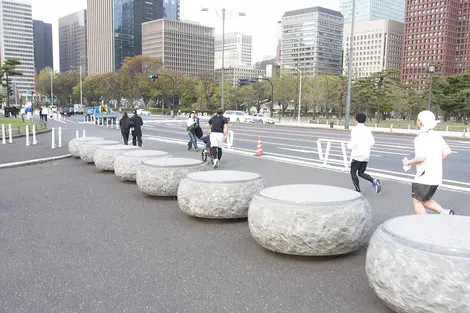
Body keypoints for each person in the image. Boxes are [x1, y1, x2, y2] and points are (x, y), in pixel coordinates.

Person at [402, 110, 454, 215]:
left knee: (416, 201)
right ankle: (444, 212)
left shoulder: (420, 138)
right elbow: (448, 152)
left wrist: (408, 162)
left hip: (424, 177)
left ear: (420, 122)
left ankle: (425, 225)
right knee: (424, 200)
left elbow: (420, 158)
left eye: (418, 119)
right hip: (436, 176)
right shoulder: (437, 135)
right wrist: (435, 161)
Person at [347, 112, 381, 194]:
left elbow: (354, 142)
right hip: (366, 155)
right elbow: (372, 142)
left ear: (356, 120)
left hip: (357, 155)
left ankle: (358, 190)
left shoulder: (355, 129)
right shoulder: (367, 130)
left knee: (353, 172)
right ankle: (373, 181)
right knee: (361, 173)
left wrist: (348, 146)